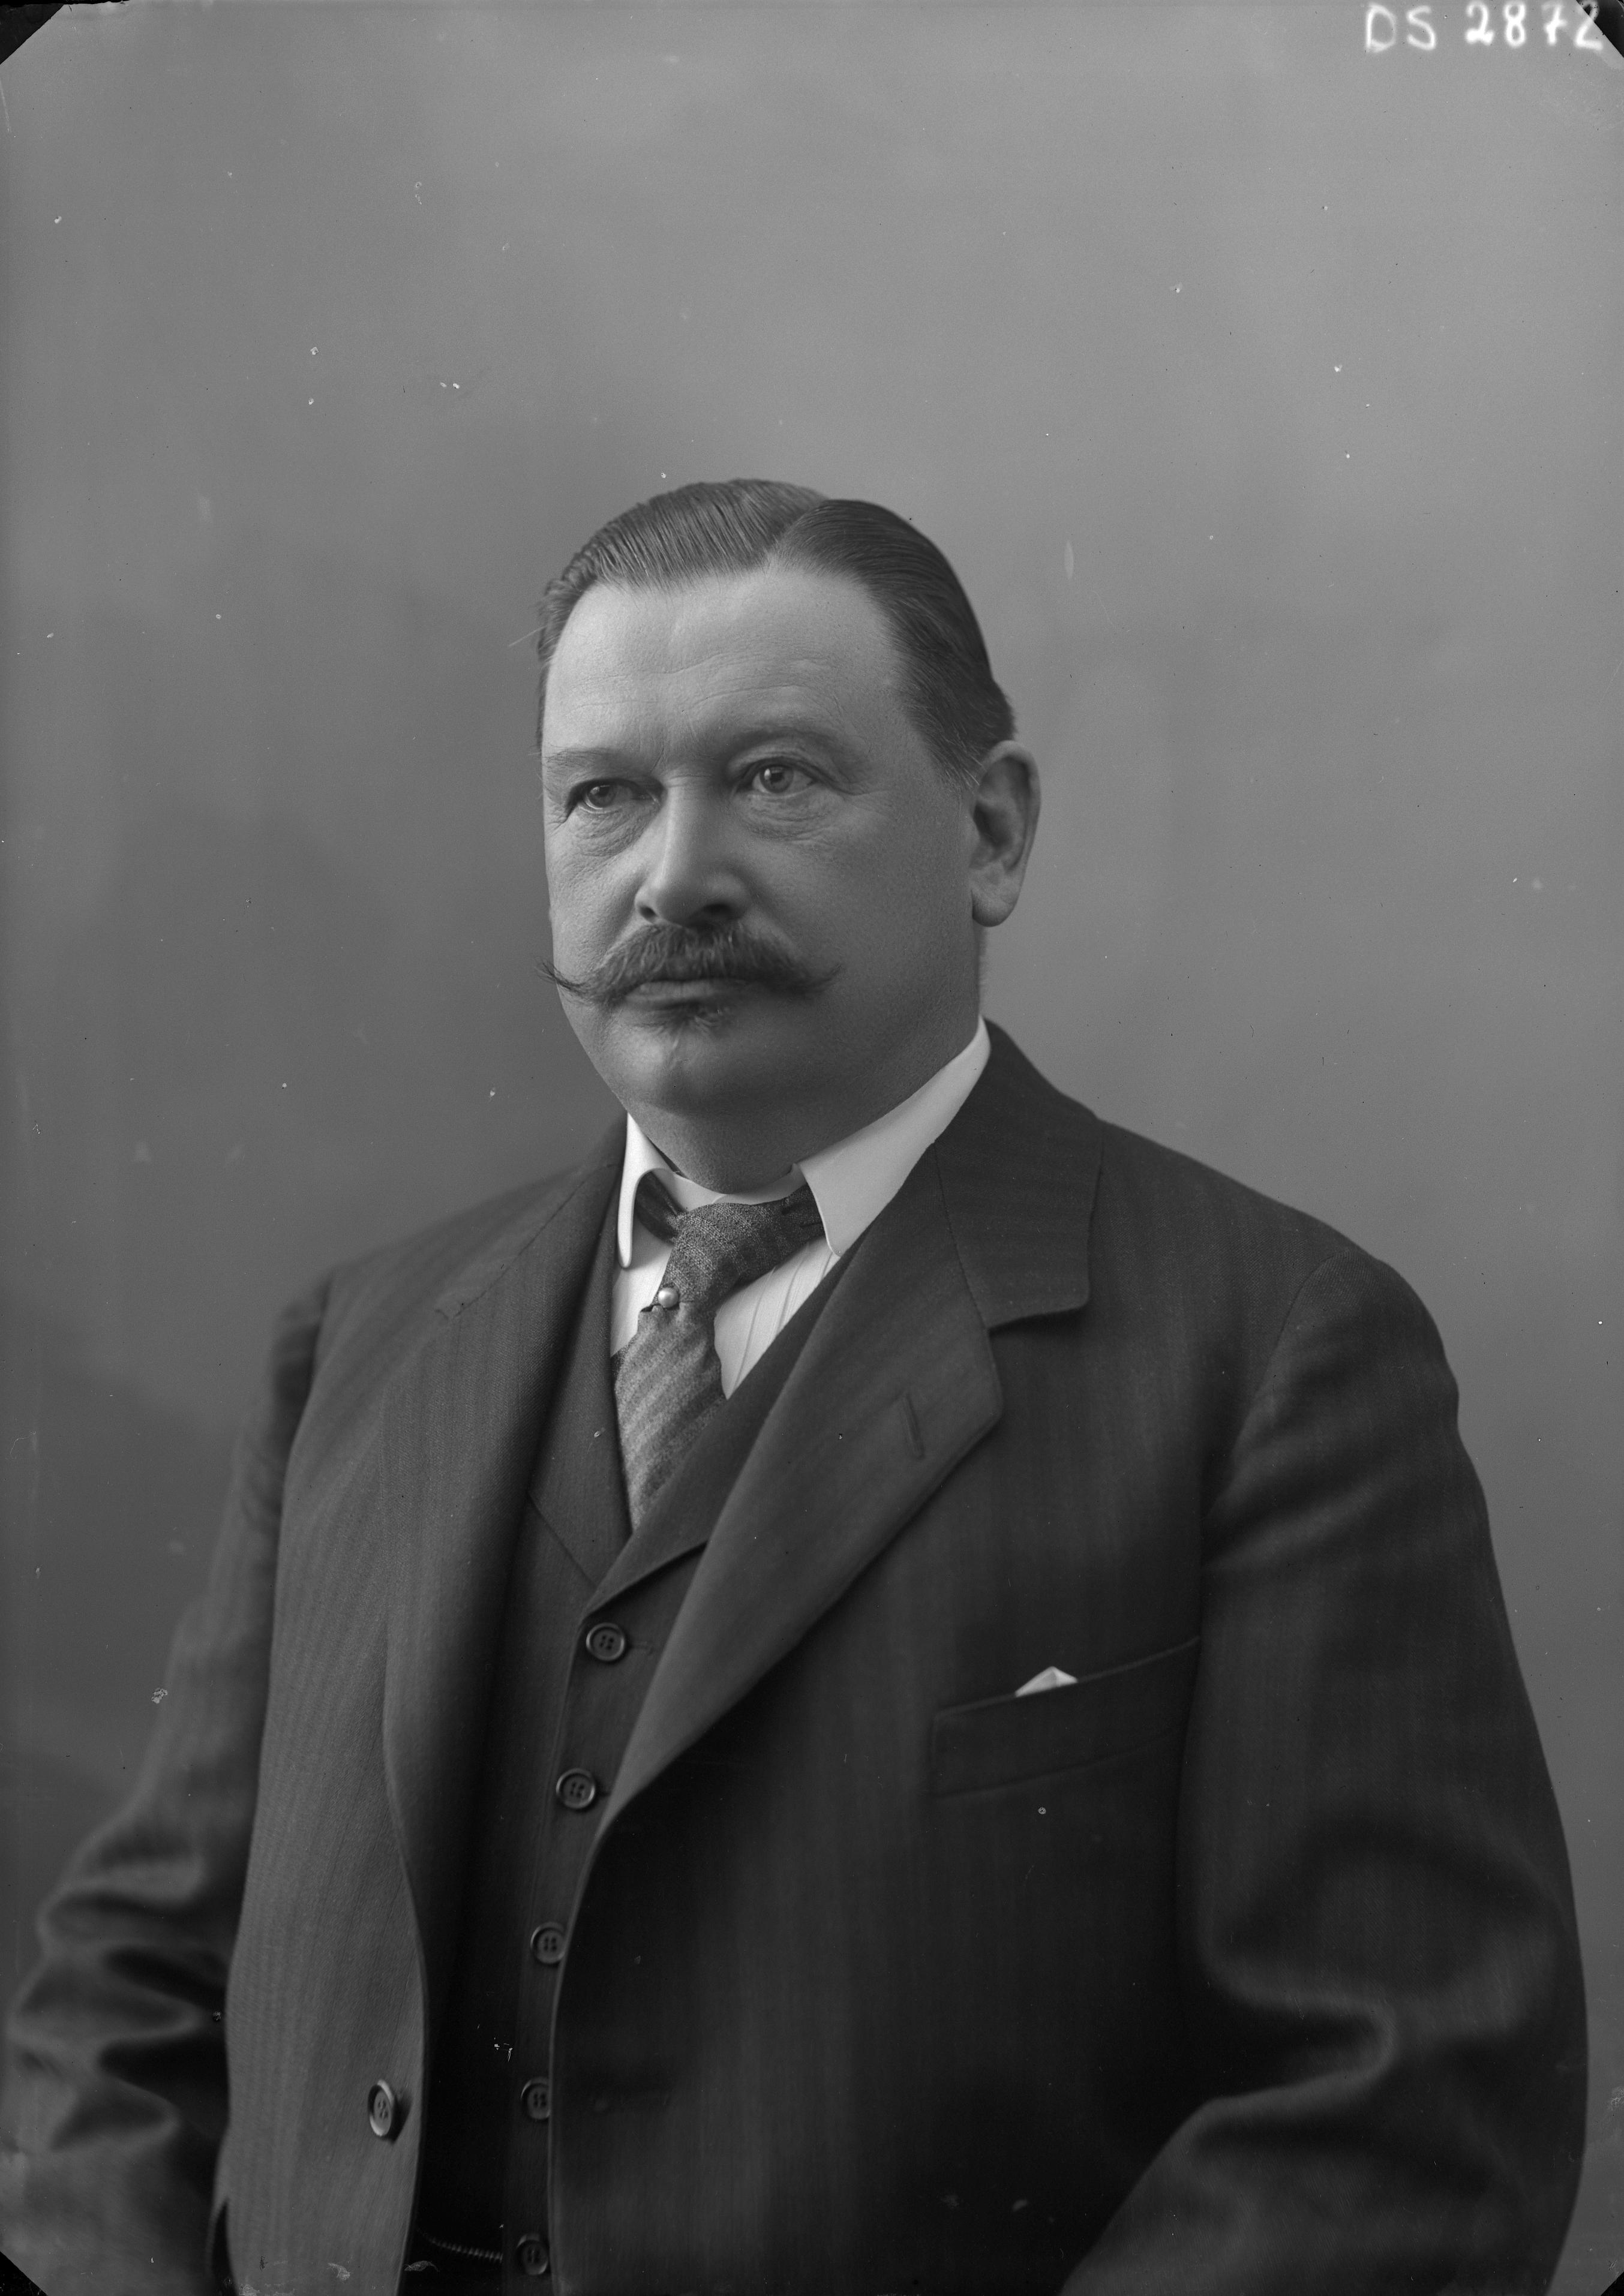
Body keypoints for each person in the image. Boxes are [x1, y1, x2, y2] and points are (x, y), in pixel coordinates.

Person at [0, 480, 1586, 2296]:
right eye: (603, 793)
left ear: (991, 832)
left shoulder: (1271, 1350)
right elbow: (132, 1991)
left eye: (772, 778)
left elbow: (1403, 2101)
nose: (672, 875)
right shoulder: (361, 1342)